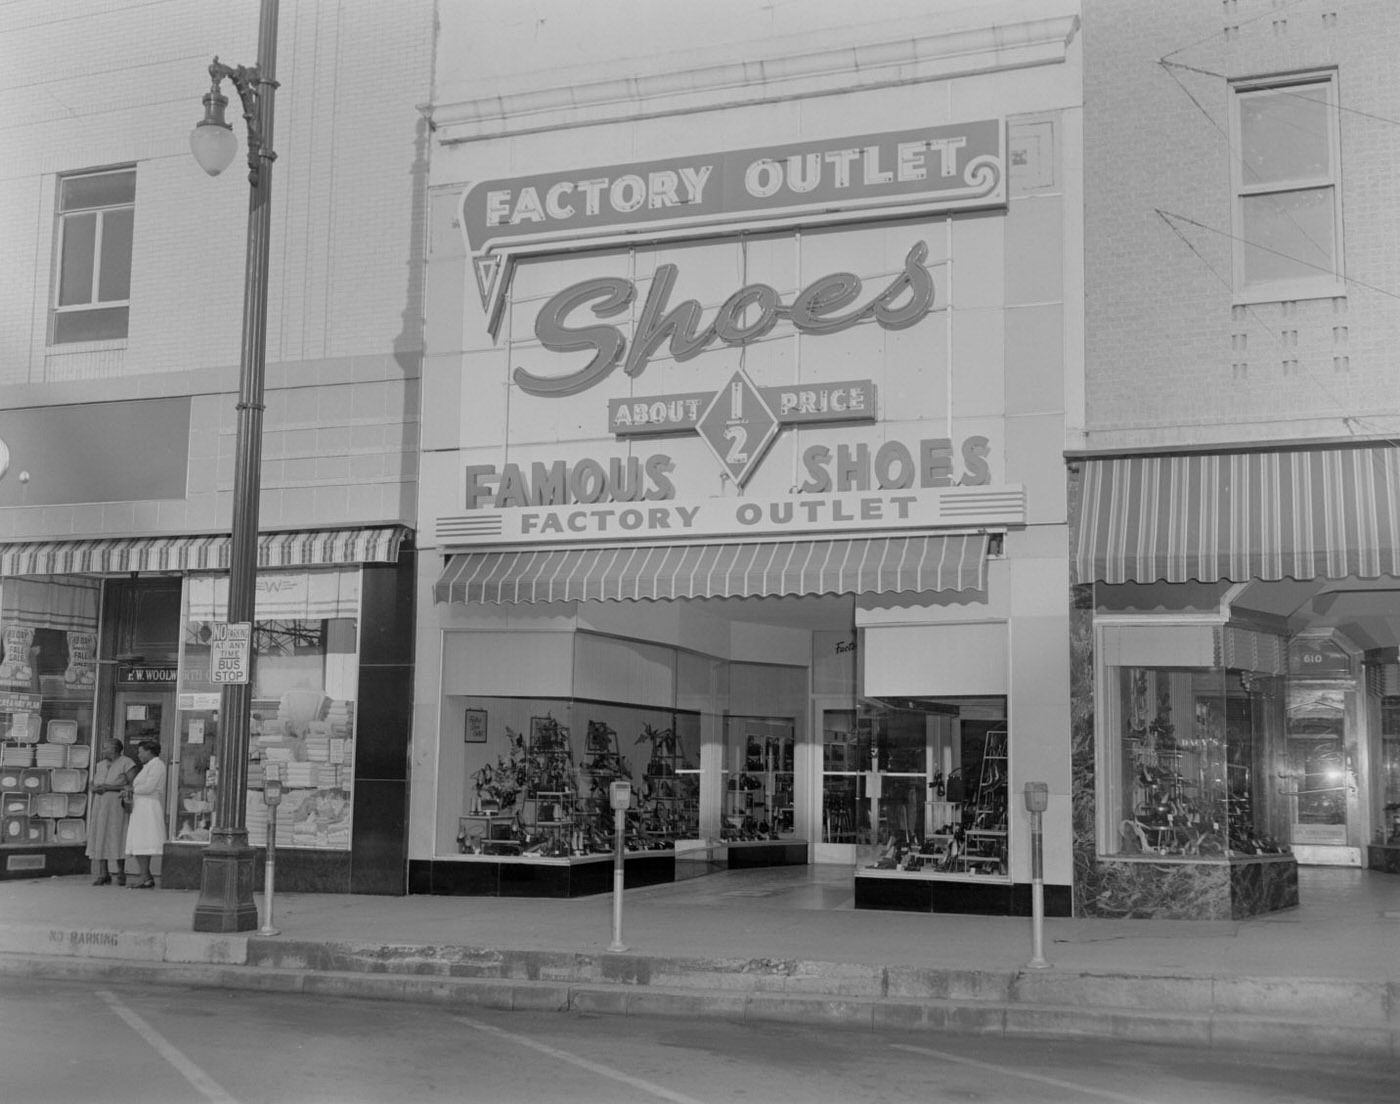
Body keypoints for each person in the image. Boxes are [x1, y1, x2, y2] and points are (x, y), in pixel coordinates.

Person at [87, 738, 137, 885]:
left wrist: (109, 787)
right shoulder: (100, 765)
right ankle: (104, 873)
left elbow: (132, 785)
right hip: (100, 803)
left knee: (116, 834)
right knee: (100, 834)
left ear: (114, 749)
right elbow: (94, 782)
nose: (103, 751)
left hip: (116, 803)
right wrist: (94, 788)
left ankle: (121, 872)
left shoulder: (127, 763)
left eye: (105, 748)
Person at [123, 739, 167, 889]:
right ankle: (145, 875)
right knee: (139, 841)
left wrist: (132, 789)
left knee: (144, 840)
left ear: (149, 751)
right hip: (140, 806)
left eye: (141, 751)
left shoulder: (157, 766)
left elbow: (149, 787)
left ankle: (144, 876)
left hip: (148, 806)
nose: (139, 754)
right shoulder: (147, 766)